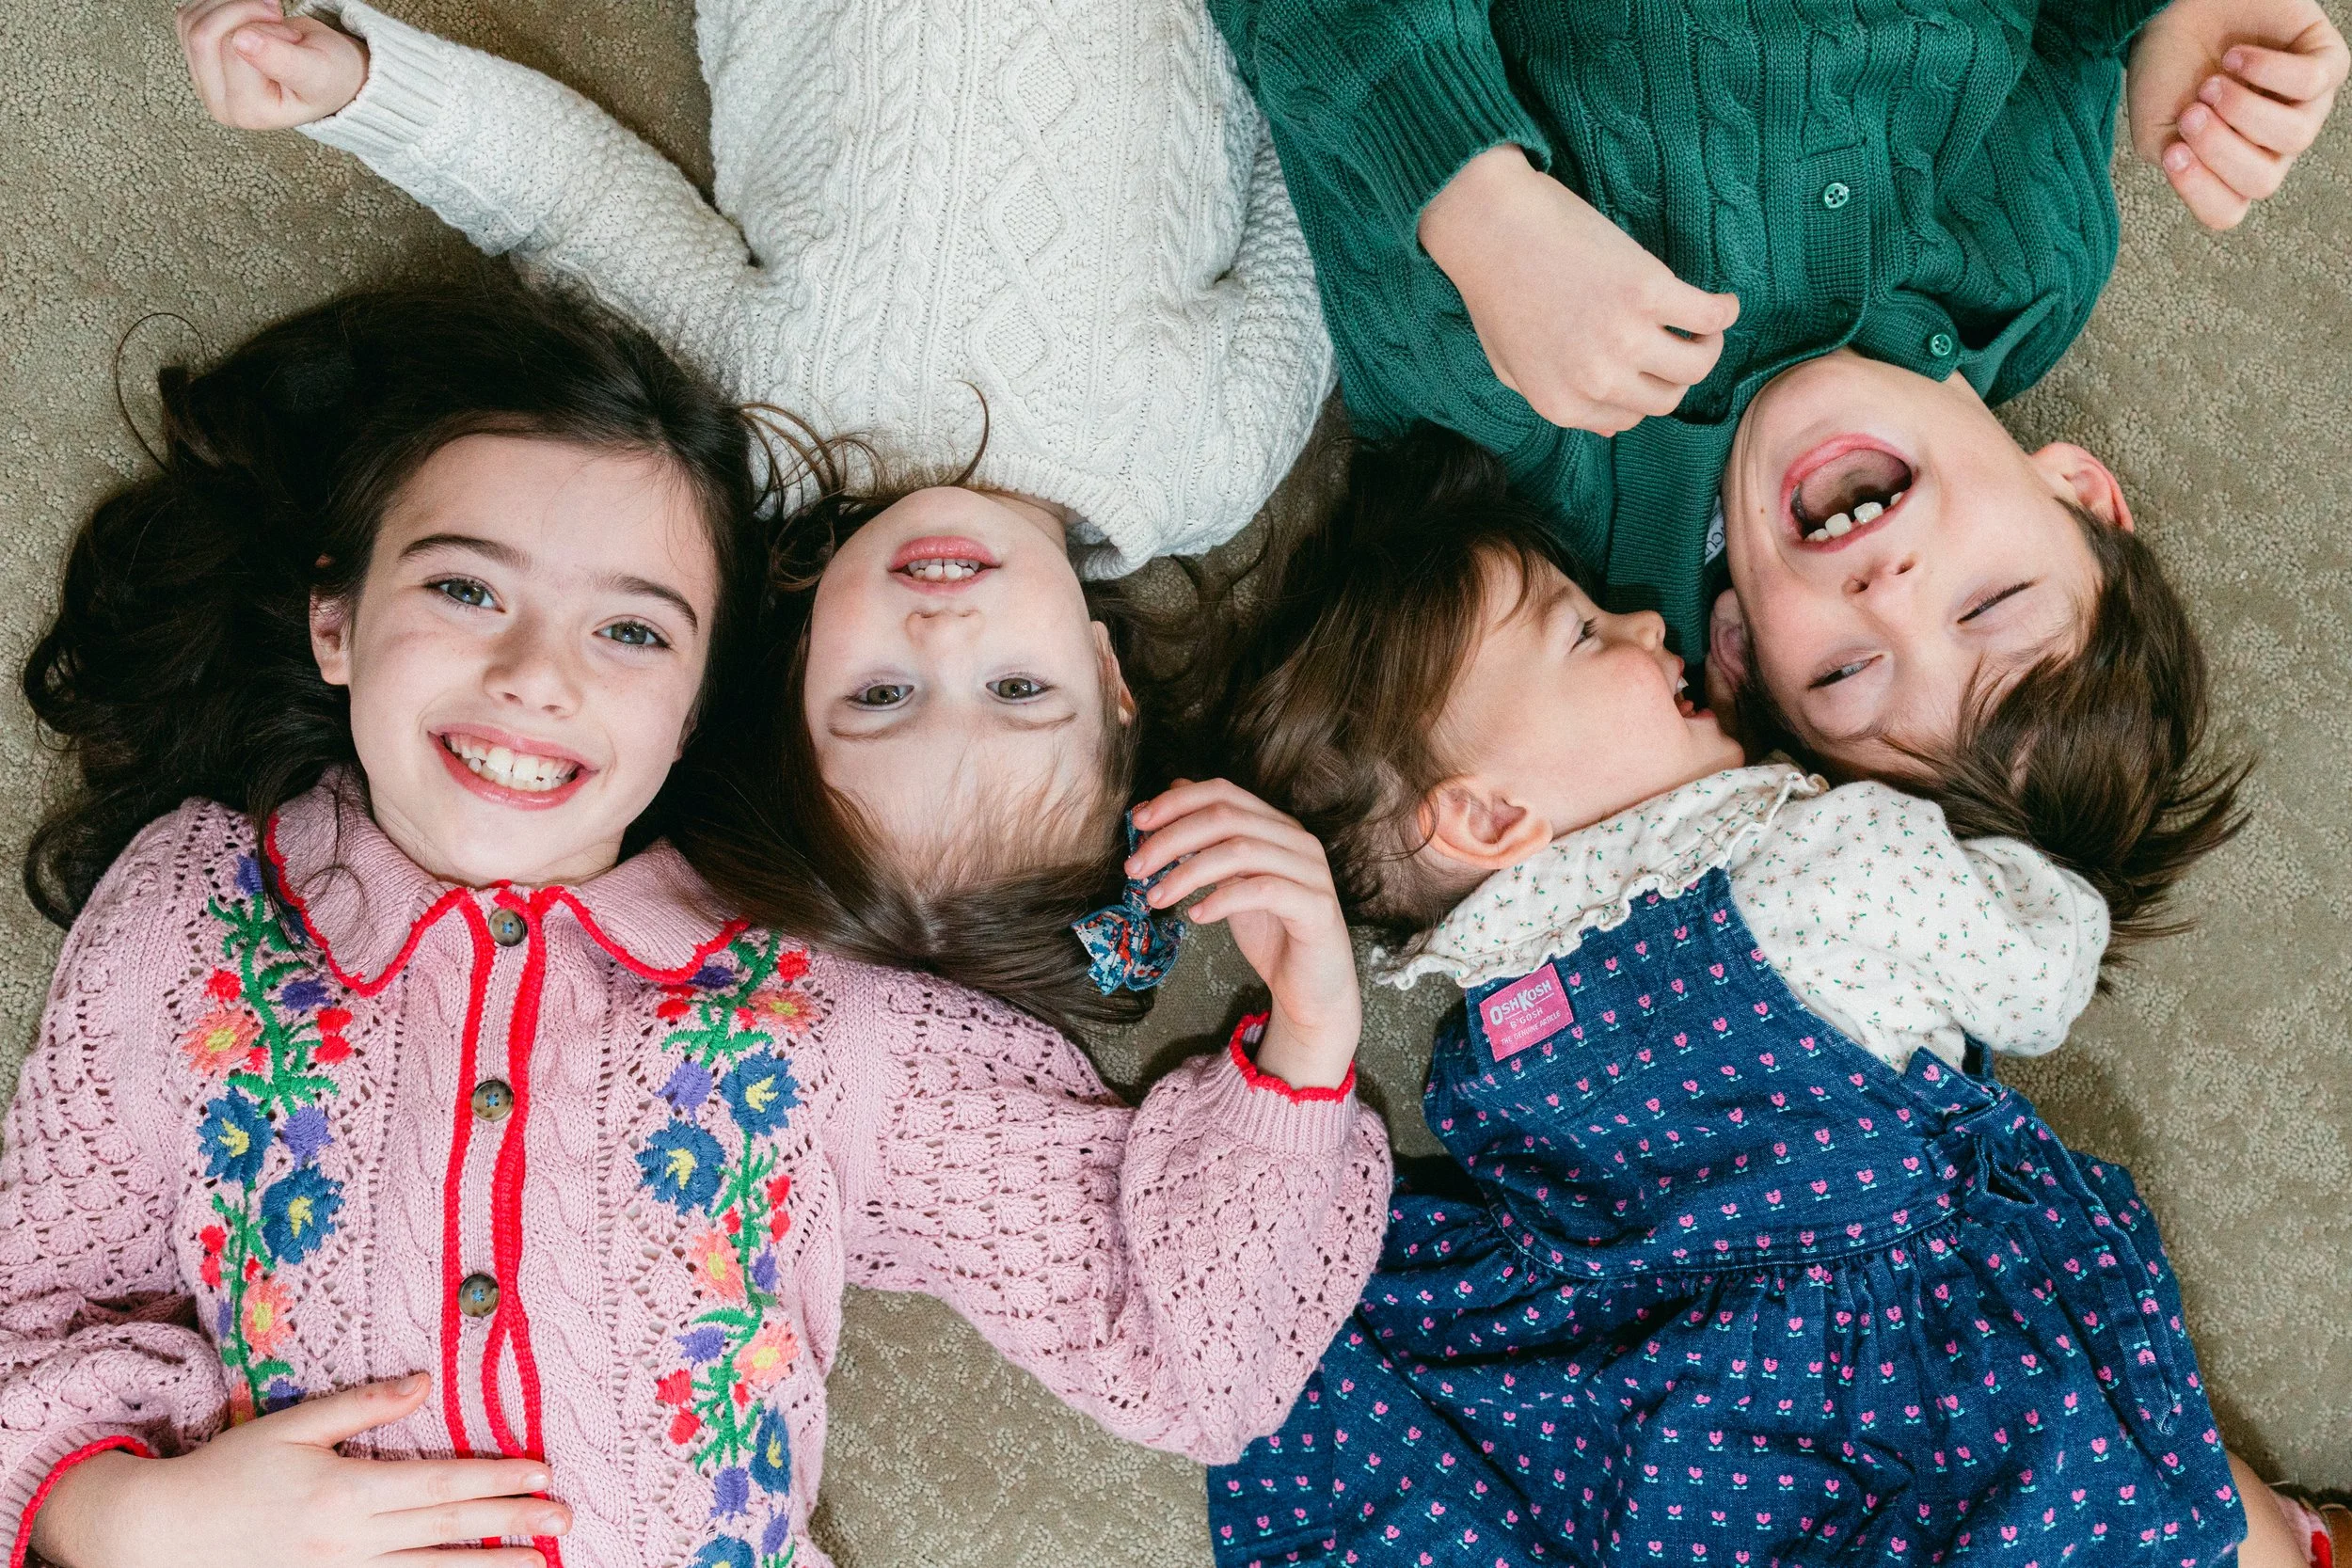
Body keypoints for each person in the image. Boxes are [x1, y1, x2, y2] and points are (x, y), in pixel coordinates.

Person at [0, 283, 1390, 1568]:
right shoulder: (191, 918)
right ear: (336, 620)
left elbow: (1191, 1360)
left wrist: (1312, 1036)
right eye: (465, 586)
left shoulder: (824, 1008)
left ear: (702, 704)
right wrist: (128, 1515)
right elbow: (29, 1311)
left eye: (633, 633)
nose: (535, 675)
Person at [1199, 427, 2327, 1568]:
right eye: (1585, 631)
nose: (1646, 620)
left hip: (1665, 1410)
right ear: (1491, 820)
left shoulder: (1497, 1002)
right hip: (1911, 1369)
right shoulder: (1822, 858)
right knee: (2090, 1504)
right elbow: (2041, 975)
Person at [171, 0, 1333, 1015]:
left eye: (879, 695)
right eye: (1018, 689)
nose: (943, 635)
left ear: (795, 671)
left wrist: (362, 88)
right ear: (1109, 676)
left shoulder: (763, 432)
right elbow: (1336, 180)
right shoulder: (1207, 463)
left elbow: (573, 211)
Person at [1200, 0, 2331, 919]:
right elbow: (2066, 31)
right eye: (1988, 603)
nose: (1887, 595)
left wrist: (1475, 201)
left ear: (1736, 654)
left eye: (1845, 674)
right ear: (2078, 492)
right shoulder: (2036, 270)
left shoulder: (1537, 419)